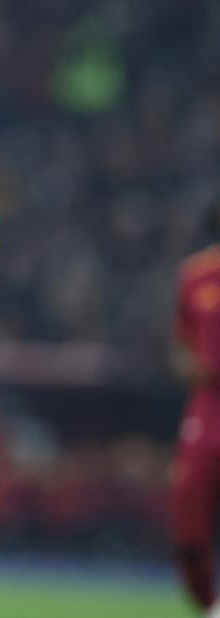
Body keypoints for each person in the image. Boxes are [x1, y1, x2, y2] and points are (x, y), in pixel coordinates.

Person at [170, 198, 220, 618]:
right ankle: (208, 606)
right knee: (188, 523)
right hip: (208, 409)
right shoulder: (195, 276)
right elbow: (182, 345)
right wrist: (190, 364)